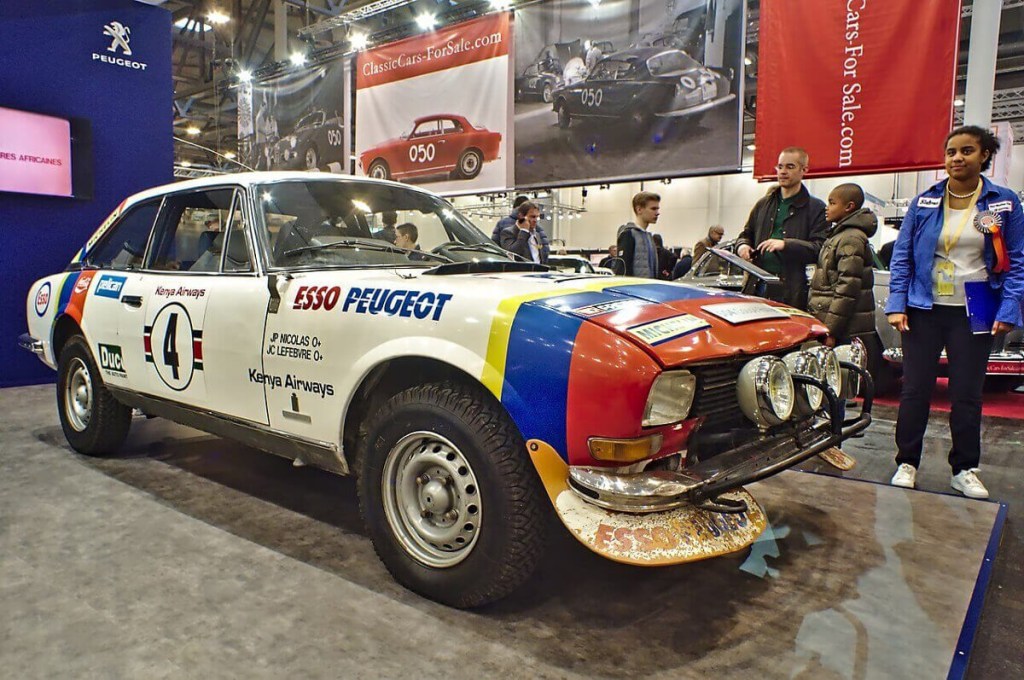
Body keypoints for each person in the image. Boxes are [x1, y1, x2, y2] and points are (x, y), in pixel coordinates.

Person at [886, 125, 1024, 499]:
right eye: (951, 152)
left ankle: (964, 468)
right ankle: (906, 462)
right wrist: (896, 303)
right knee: (915, 389)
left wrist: (1009, 306)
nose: (957, 158)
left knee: (967, 392)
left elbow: (1016, 261)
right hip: (923, 306)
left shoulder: (1005, 203)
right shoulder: (924, 202)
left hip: (977, 304)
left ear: (984, 157)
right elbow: (902, 257)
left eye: (966, 151)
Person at [737, 147, 828, 308]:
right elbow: (746, 234)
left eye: (790, 167)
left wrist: (786, 244)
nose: (783, 171)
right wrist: (742, 246)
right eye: (780, 167)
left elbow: (820, 249)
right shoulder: (763, 204)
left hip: (792, 290)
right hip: (758, 286)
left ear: (804, 170)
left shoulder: (816, 208)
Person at [807, 183, 877, 346]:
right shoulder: (841, 236)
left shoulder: (850, 239)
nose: (827, 208)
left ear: (849, 207)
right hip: (839, 326)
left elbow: (847, 289)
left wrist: (831, 330)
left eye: (832, 203)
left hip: (844, 331)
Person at [617, 191, 660, 278]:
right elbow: (622, 270)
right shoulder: (628, 234)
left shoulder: (649, 237)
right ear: (639, 209)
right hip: (634, 289)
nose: (657, 213)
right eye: (653, 209)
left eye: (657, 209)